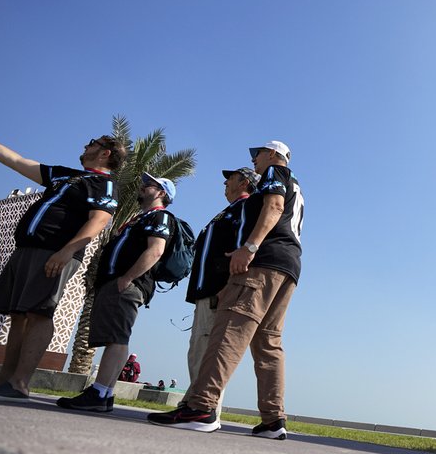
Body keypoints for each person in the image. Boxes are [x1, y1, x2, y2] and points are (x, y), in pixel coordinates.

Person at [0, 114, 122, 402]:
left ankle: (20, 383)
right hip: (27, 251)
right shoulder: (65, 174)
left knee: (38, 312)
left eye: (92, 143)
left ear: (105, 153)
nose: (85, 146)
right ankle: (2, 380)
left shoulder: (103, 184)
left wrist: (67, 250)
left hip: (54, 254)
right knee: (18, 314)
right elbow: (18, 162)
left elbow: (98, 220)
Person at [149, 140, 303, 438]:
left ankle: (201, 408)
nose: (254, 159)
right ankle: (273, 419)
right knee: (268, 344)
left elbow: (273, 205)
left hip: (264, 261)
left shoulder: (277, 173)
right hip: (288, 266)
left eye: (256, 153)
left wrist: (250, 246)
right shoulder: (298, 187)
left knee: (229, 331)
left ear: (273, 155)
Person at [56, 173, 174, 413]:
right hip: (118, 284)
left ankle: (99, 392)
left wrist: (127, 278)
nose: (142, 187)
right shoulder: (140, 218)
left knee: (117, 338)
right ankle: (105, 394)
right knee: (116, 338)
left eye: (148, 185)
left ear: (161, 193)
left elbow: (156, 251)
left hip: (128, 286)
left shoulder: (160, 216)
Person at [176, 166, 260, 422]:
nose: (224, 184)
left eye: (230, 179)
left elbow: (246, 250)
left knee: (207, 351)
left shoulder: (246, 208)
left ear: (244, 182)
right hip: (205, 291)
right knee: (197, 350)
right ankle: (193, 403)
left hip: (218, 292)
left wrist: (228, 287)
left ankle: (204, 409)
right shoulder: (228, 211)